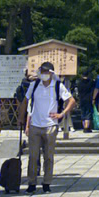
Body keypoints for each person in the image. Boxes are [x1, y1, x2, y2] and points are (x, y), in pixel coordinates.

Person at [23, 62, 75, 190]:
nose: (44, 74)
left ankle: (46, 182)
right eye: (42, 71)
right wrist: (22, 119)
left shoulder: (58, 86)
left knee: (48, 156)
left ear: (51, 73)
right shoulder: (34, 85)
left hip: (51, 125)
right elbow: (26, 101)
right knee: (33, 156)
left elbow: (72, 100)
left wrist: (61, 114)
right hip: (35, 124)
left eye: (46, 71)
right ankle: (32, 182)